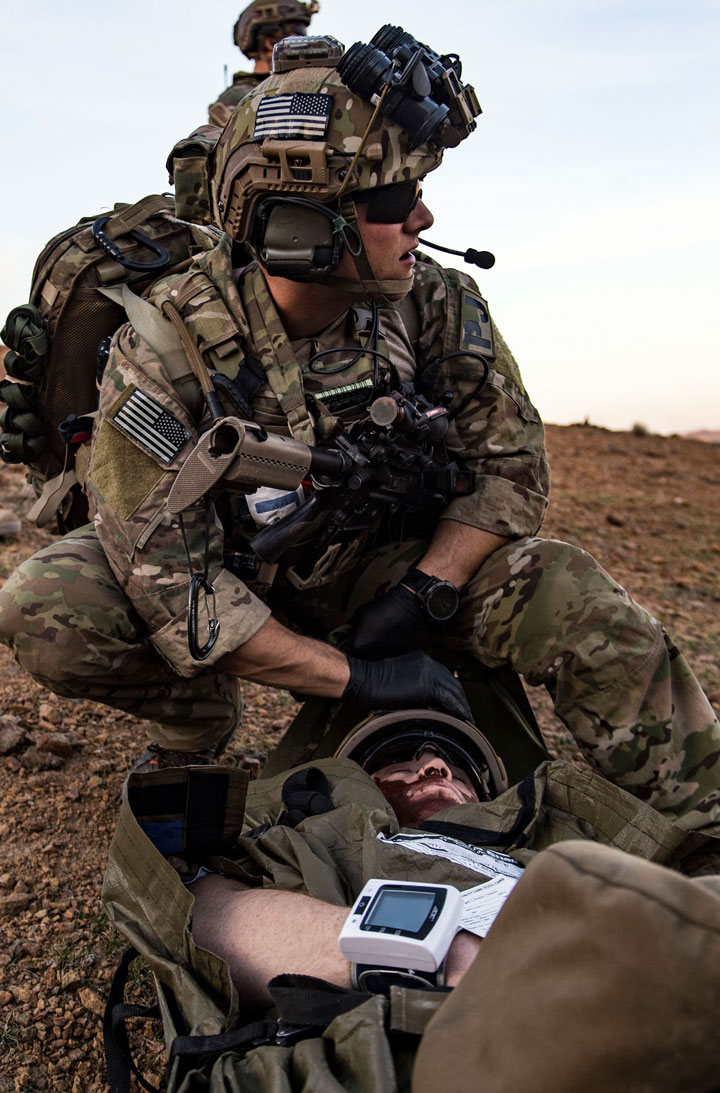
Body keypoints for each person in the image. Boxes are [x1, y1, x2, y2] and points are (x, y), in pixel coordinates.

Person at [1, 27, 719, 836]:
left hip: (391, 575)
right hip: (232, 579)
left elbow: (509, 472)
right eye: (390, 200)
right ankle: (197, 722)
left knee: (569, 591)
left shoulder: (436, 303)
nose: (422, 215)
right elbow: (178, 591)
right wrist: (358, 679)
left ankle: (706, 816)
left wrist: (424, 592)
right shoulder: (166, 348)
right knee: (44, 605)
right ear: (299, 228)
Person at [104, 712, 720, 1092]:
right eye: (400, 761)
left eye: (453, 766)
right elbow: (201, 912)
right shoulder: (312, 840)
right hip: (451, 1040)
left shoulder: (566, 835)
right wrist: (452, 958)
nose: (430, 763)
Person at [208, 0, 319, 127]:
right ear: (271, 43)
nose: (305, 46)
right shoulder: (241, 97)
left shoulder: (301, 89)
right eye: (297, 39)